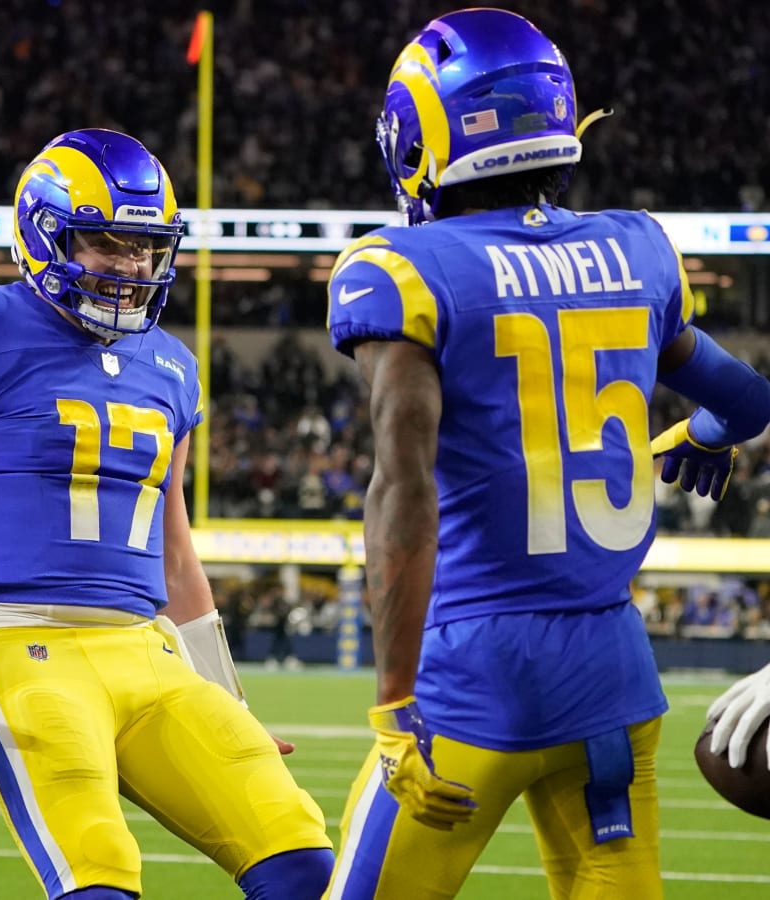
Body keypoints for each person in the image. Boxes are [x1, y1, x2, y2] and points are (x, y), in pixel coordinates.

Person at [323, 9, 770, 899]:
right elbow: (749, 401)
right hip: (613, 674)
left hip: (472, 674)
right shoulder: (639, 247)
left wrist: (393, 699)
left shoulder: (400, 269)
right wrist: (701, 434)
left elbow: (400, 493)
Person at [0, 128, 334, 900]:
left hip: (147, 652)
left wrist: (226, 699)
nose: (130, 268)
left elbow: (174, 553)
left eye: (145, 248)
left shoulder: (170, 364)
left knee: (301, 858)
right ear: (44, 233)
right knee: (98, 875)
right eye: (107, 243)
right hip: (15, 641)